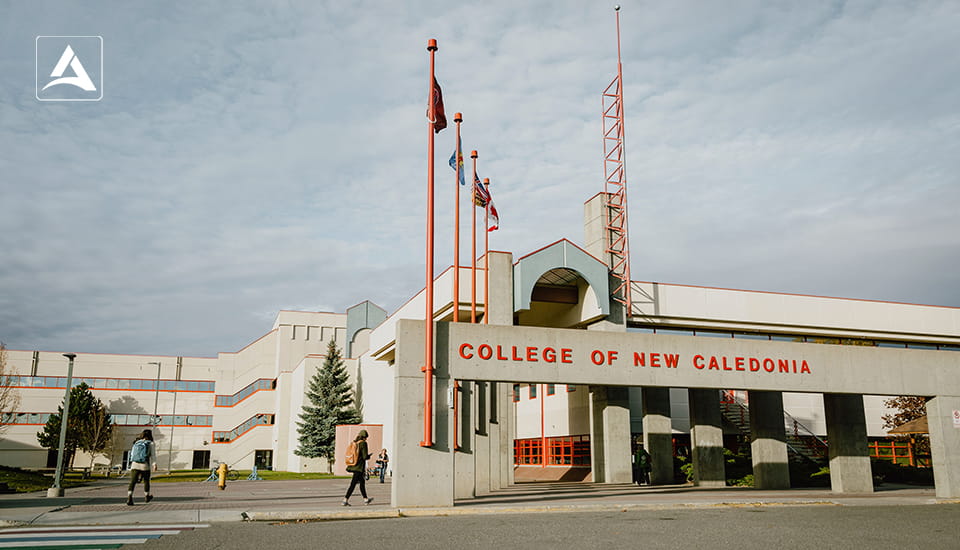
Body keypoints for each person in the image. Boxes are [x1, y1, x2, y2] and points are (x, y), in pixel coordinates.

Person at [341, 429, 373, 506]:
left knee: (362, 483)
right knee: (353, 484)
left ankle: (366, 499)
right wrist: (369, 456)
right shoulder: (363, 444)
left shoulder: (355, 443)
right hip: (359, 467)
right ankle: (345, 500)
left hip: (354, 465)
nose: (366, 439)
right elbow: (365, 456)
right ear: (364, 437)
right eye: (366, 437)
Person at [126, 429, 157, 506]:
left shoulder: (137, 442)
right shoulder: (151, 443)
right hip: (144, 465)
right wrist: (154, 464)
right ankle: (147, 496)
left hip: (134, 464)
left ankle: (129, 497)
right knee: (146, 481)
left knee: (132, 482)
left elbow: (132, 454)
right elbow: (153, 455)